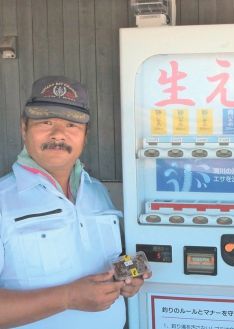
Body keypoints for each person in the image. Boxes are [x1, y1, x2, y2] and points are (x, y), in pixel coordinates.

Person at [0, 76, 150, 329]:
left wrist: (128, 276)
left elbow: (104, 258)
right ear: (23, 128)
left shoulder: (97, 191)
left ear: (84, 135)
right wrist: (67, 298)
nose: (58, 134)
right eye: (45, 122)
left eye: (72, 125)